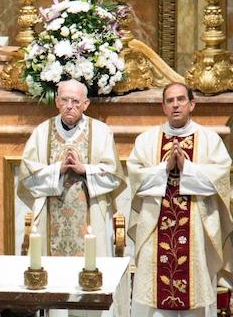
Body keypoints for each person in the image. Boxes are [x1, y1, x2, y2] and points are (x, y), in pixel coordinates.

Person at [128, 82, 233, 317]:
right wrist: (164, 169)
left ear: (191, 104)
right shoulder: (146, 140)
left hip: (196, 232)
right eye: (170, 101)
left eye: (181, 100)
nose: (175, 105)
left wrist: (188, 168)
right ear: (163, 106)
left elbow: (220, 179)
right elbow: (136, 180)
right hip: (156, 229)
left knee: (195, 297)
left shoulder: (209, 140)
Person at [18, 79, 125, 258]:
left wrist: (85, 169)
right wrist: (57, 170)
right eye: (65, 100)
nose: (69, 106)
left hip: (92, 215)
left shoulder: (101, 131)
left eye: (75, 101)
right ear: (57, 102)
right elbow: (27, 176)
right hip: (49, 217)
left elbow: (114, 175)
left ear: (86, 104)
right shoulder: (42, 132)